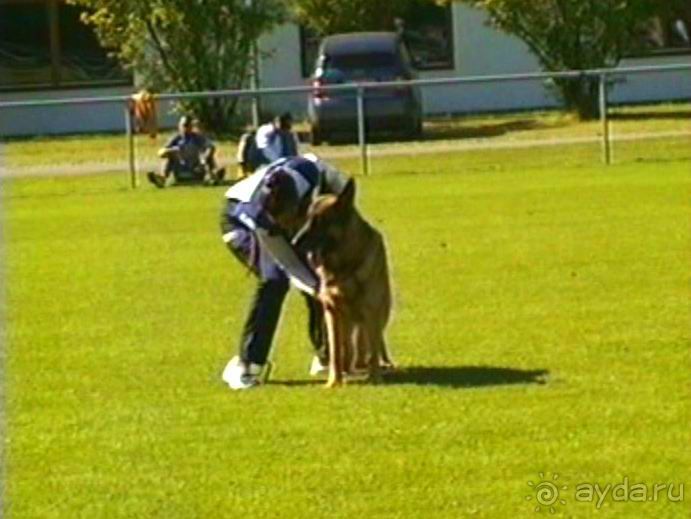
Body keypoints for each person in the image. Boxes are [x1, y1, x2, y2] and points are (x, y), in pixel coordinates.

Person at [219, 154, 349, 390]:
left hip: (285, 214)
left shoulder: (313, 174)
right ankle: (246, 365)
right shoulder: (260, 216)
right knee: (275, 282)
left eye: (288, 220)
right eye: (281, 222)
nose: (287, 226)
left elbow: (345, 204)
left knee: (323, 273)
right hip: (238, 223)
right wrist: (320, 290)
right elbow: (289, 264)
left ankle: (327, 356)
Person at [147, 115, 225, 188]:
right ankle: (162, 179)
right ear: (179, 126)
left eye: (188, 126)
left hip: (196, 169)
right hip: (180, 169)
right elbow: (160, 152)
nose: (186, 128)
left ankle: (214, 177)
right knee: (170, 155)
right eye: (184, 125)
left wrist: (204, 159)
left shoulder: (197, 137)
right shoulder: (175, 139)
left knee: (209, 155)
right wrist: (170, 151)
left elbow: (211, 147)